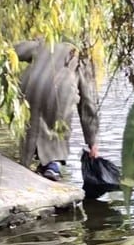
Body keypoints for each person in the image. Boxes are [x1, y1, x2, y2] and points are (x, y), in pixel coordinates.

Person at [14, 39, 99, 181]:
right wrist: (93, 142)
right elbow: (88, 103)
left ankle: (28, 163)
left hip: (29, 88)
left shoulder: (44, 43)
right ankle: (52, 165)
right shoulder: (81, 58)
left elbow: (14, 51)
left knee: (32, 126)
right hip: (61, 90)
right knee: (57, 126)